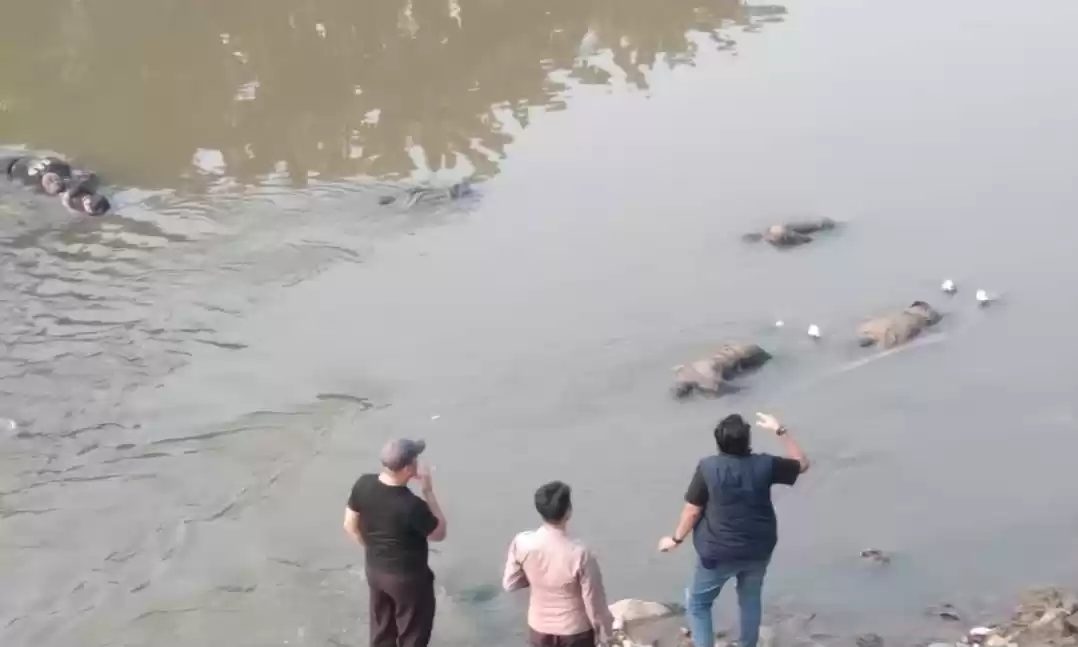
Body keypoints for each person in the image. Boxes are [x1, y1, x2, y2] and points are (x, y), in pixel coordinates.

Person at [657, 412, 810, 647]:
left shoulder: (708, 467)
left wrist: (675, 539)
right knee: (750, 599)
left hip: (717, 551)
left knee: (698, 603)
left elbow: (692, 511)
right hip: (758, 548)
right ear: (747, 440)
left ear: (718, 441)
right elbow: (802, 463)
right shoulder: (765, 465)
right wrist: (780, 430)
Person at [342, 438, 448, 647]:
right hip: (408, 580)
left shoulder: (363, 484)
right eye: (415, 459)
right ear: (408, 468)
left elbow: (349, 525)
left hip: (375, 571)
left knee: (382, 631)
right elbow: (440, 533)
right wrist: (428, 491)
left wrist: (375, 549)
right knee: (413, 635)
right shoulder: (412, 506)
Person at [503, 481, 615, 647]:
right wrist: (606, 633)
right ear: (568, 511)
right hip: (575, 633)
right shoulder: (581, 553)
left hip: (539, 630)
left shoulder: (522, 543)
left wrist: (538, 577)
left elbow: (510, 583)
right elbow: (594, 604)